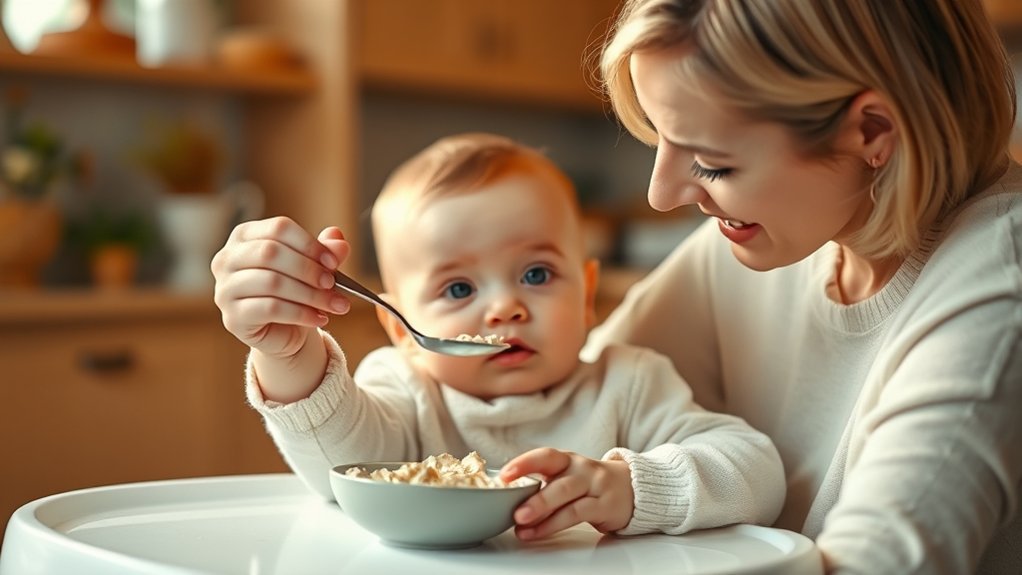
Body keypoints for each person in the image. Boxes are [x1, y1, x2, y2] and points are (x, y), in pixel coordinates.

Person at [583, 0, 1022, 573]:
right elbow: (571, 409)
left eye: (714, 163)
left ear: (872, 132)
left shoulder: (998, 287)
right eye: (661, 139)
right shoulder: (785, 230)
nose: (661, 195)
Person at [210, 132, 786, 540]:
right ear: (399, 327)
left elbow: (755, 472)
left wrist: (632, 488)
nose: (506, 307)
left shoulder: (628, 384)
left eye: (536, 275)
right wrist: (287, 351)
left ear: (586, 297)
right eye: (459, 290)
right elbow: (343, 470)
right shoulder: (406, 388)